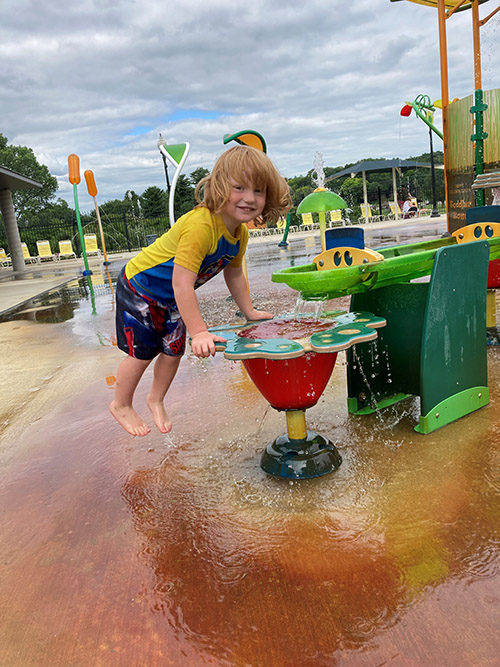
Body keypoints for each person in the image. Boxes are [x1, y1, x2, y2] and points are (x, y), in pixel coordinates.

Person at [110, 145, 292, 436]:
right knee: (143, 353)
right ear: (219, 187)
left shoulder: (239, 234)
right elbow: (182, 282)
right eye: (239, 187)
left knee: (172, 351)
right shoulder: (200, 226)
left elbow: (233, 274)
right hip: (140, 285)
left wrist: (249, 311)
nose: (249, 198)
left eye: (258, 191)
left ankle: (155, 398)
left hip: (169, 296)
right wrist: (200, 331)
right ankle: (121, 404)